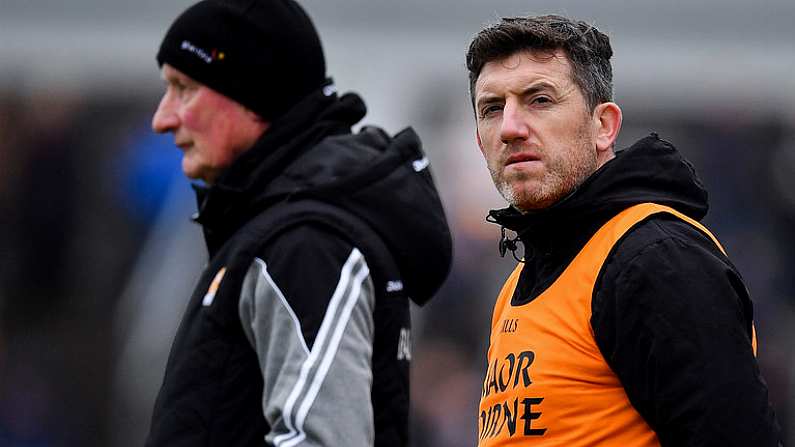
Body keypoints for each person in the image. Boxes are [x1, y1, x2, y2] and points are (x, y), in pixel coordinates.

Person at [144, 0, 452, 445]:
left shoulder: (305, 242)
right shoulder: (276, 227)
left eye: (184, 87)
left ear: (251, 96)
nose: (163, 118)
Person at [466, 15, 782, 446]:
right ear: (480, 140)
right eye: (492, 108)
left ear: (604, 126)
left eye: (539, 99)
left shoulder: (656, 260)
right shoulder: (519, 283)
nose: (510, 127)